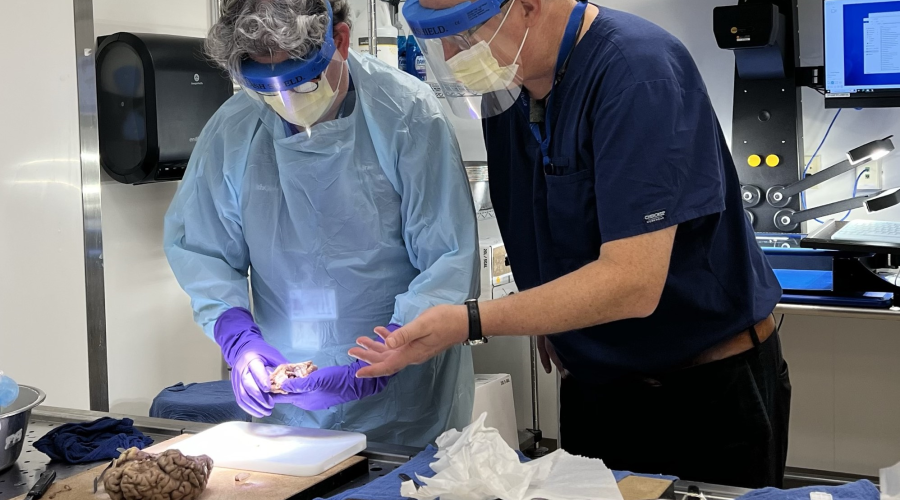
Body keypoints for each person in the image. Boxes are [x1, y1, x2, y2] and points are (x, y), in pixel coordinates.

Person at [350, 0, 791, 487]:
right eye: (443, 41)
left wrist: (471, 320)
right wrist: (551, 315)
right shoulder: (510, 87)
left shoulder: (636, 73)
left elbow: (633, 283)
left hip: (701, 393)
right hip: (596, 389)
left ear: (529, 6)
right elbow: (548, 215)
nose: (455, 56)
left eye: (467, 35)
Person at [163, 0, 479, 447]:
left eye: (302, 83)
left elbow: (448, 264)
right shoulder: (235, 129)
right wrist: (239, 338)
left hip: (406, 402)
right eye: (267, 91)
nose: (286, 102)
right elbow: (202, 250)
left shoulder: (406, 115)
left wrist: (383, 359)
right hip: (290, 408)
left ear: (342, 42)